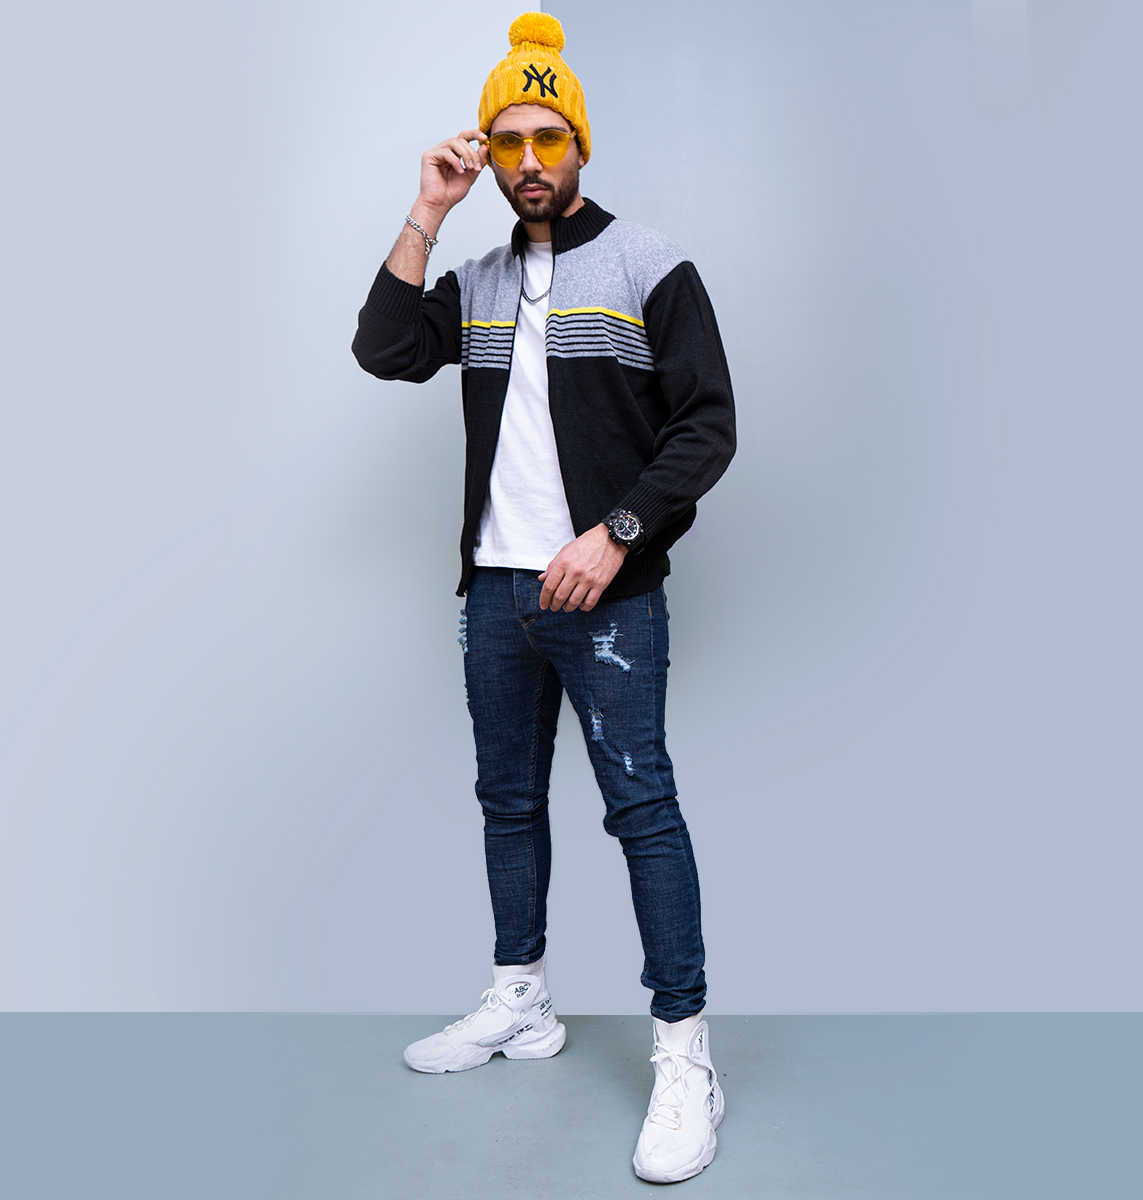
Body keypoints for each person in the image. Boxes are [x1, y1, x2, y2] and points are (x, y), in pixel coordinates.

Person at [352, 12, 735, 1184]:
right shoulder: (473, 281)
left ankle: (686, 1053)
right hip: (497, 592)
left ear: (578, 145)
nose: (527, 160)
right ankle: (521, 998)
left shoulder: (648, 266)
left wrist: (618, 535)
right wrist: (429, 209)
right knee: (508, 802)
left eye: (547, 138)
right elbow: (382, 349)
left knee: (642, 809)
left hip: (604, 595)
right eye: (507, 140)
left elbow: (708, 425)